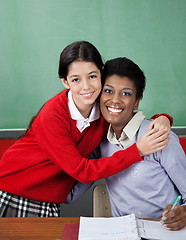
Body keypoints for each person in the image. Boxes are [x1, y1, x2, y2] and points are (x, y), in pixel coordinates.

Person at [0, 41, 171, 217]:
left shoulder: (104, 109)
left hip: (48, 198)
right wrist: (138, 151)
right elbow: (82, 171)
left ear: (101, 73)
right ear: (65, 82)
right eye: (76, 79)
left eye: (92, 76)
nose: (86, 87)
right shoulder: (53, 115)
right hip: (15, 191)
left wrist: (163, 118)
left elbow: (128, 115)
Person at [66, 57, 186, 230]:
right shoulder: (99, 142)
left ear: (136, 101)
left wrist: (183, 212)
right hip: (124, 233)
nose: (115, 100)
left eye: (126, 93)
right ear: (98, 94)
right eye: (108, 91)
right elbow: (72, 193)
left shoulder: (157, 135)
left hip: (164, 231)